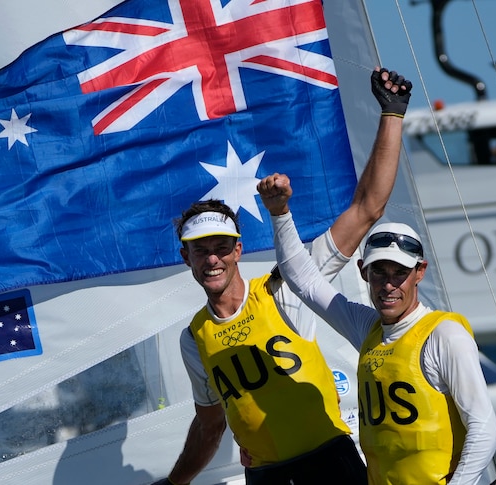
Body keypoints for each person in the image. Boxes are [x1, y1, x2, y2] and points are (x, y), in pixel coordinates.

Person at [152, 67, 413, 485]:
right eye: (201, 251)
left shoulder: (284, 287)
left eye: (222, 248)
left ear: (238, 250)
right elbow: (209, 427)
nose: (212, 260)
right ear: (186, 257)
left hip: (329, 464)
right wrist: (173, 482)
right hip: (266, 478)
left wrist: (392, 114)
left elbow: (367, 208)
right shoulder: (193, 338)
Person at [258, 174, 496, 484]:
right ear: (363, 272)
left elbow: (484, 426)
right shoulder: (367, 328)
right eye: (379, 273)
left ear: (419, 272)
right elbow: (304, 282)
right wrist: (279, 213)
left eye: (399, 273)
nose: (388, 285)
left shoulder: (444, 336)